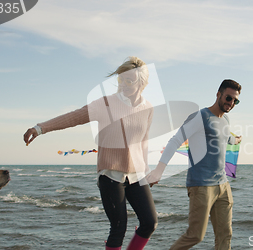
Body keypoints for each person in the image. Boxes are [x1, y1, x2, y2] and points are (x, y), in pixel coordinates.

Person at [23, 57, 157, 250]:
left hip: (137, 175)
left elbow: (143, 141)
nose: (124, 84)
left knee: (150, 223)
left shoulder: (148, 108)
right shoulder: (106, 103)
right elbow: (73, 117)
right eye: (121, 79)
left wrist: (147, 170)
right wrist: (40, 128)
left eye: (130, 80)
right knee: (118, 227)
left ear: (141, 83)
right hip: (111, 175)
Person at [147, 79, 242, 250]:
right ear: (218, 94)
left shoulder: (225, 120)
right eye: (229, 98)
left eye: (235, 100)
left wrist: (237, 139)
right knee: (195, 236)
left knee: (225, 234)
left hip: (223, 185)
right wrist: (159, 171)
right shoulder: (200, 117)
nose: (231, 103)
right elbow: (175, 140)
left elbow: (227, 138)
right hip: (201, 186)